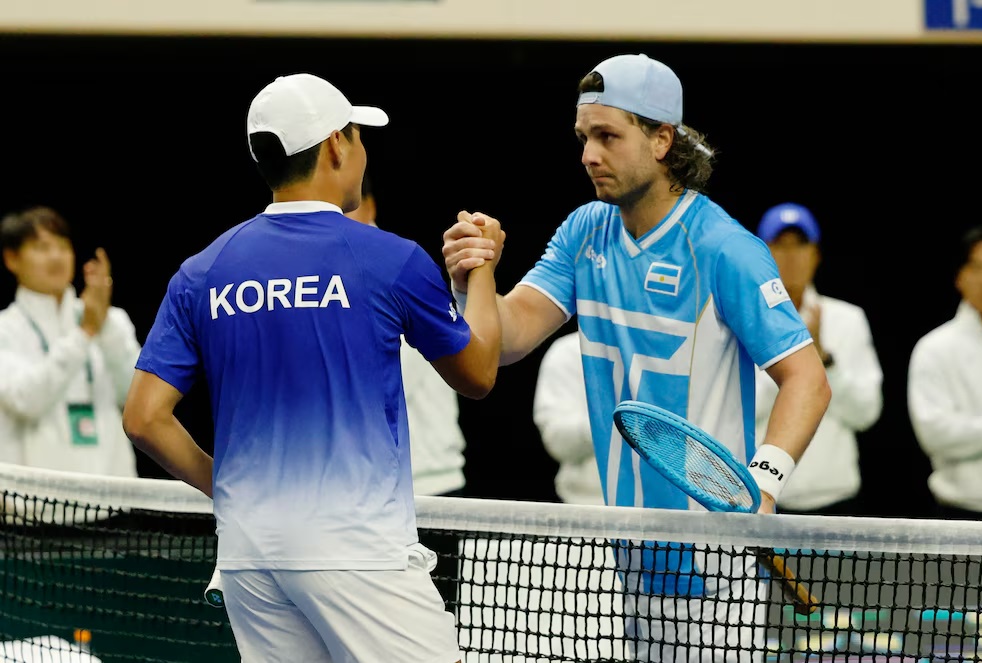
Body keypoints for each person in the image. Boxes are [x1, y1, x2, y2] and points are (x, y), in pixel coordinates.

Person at [441, 53, 831, 662]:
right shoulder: (584, 232)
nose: (588, 155)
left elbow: (807, 379)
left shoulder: (724, 248)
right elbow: (509, 339)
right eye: (583, 138)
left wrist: (764, 484)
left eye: (607, 136)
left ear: (661, 139)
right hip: (626, 548)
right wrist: (477, 278)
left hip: (712, 566)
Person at [121, 72, 503, 663]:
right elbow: (478, 374)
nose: (363, 149)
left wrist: (226, 489)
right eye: (359, 135)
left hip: (250, 555)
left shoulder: (202, 270)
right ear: (335, 146)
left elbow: (144, 418)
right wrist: (479, 270)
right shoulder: (390, 258)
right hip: (355, 550)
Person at [344, 175, 468, 609]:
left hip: (430, 494)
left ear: (371, 205)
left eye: (349, 208)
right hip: (361, 504)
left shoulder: (397, 268)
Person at [754, 203, 883, 516]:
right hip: (764, 501)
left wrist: (822, 357)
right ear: (762, 254)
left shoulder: (848, 319)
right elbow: (746, 407)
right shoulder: (744, 321)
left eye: (800, 245)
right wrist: (791, 355)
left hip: (838, 502)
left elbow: (866, 412)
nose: (791, 256)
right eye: (779, 246)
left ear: (816, 254)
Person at [0, 205, 139, 480]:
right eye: (41, 247)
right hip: (35, 504)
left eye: (64, 247)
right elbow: (26, 400)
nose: (56, 257)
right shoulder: (5, 327)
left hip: (115, 497)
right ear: (12, 259)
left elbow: (136, 396)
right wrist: (84, 333)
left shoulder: (112, 320)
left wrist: (103, 327)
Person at [908, 225, 982, 521]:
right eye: (979, 268)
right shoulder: (934, 348)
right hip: (960, 516)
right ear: (960, 276)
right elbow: (935, 436)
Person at [532, 329, 604, 505]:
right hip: (587, 510)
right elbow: (558, 443)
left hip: (672, 512)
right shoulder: (568, 351)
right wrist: (615, 424)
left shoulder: (680, 353)